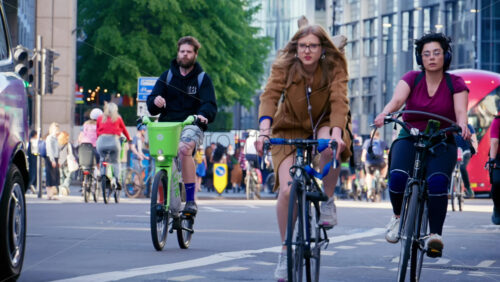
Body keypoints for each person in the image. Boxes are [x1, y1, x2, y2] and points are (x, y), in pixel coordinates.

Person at [254, 24, 351, 280]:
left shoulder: (334, 67)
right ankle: (286, 250)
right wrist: (264, 130)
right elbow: (269, 96)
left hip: (326, 123)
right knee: (287, 190)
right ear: (296, 48)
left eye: (313, 46)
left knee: (329, 148)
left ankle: (328, 200)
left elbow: (339, 101)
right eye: (303, 45)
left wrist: (338, 135)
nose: (307, 50)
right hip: (289, 129)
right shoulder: (284, 65)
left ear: (323, 49)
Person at [373, 32, 470, 257]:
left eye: (437, 53)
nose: (431, 58)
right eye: (426, 54)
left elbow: (460, 112)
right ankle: (397, 218)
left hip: (441, 140)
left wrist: (463, 125)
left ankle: (435, 235)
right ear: (420, 57)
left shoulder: (455, 82)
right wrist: (384, 113)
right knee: (397, 176)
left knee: (437, 183)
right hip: (411, 136)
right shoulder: (411, 78)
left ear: (446, 56)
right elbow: (397, 101)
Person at [146, 36, 217, 215]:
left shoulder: (202, 79)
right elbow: (151, 104)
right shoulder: (167, 76)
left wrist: (203, 115)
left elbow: (210, 104)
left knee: (184, 149)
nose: (185, 55)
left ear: (195, 54)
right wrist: (156, 101)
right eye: (182, 51)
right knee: (161, 157)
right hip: (167, 126)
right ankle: (164, 197)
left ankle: (191, 200)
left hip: (191, 124)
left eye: (189, 52)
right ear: (178, 53)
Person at [96, 102, 132, 189]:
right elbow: (124, 130)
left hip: (101, 141)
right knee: (116, 162)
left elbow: (97, 131)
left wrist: (99, 138)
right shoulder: (118, 118)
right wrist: (128, 139)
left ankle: (102, 174)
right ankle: (116, 180)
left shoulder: (100, 118)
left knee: (102, 159)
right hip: (114, 141)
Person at [361, 130, 389, 199]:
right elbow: (389, 152)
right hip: (380, 162)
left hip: (369, 163)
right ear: (378, 135)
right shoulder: (382, 142)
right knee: (386, 165)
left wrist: (364, 161)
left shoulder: (367, 142)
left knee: (369, 174)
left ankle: (370, 189)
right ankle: (382, 177)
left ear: (371, 135)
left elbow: (364, 154)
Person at [454, 124, 477, 198]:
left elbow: (474, 140)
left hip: (466, 151)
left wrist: (475, 149)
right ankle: (448, 189)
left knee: (462, 168)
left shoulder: (469, 127)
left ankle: (468, 189)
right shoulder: (452, 126)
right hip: (454, 151)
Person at [487, 116, 500, 225]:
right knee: (496, 182)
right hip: (498, 156)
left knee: (496, 183)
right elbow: (494, 141)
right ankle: (497, 207)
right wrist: (492, 159)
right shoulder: (498, 120)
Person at [45, 122, 61, 200]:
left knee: (54, 177)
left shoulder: (56, 138)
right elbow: (50, 150)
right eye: (55, 129)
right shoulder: (50, 138)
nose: (57, 131)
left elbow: (58, 150)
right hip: (50, 158)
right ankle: (49, 195)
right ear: (51, 129)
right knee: (50, 176)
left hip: (55, 158)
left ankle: (51, 194)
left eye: (57, 129)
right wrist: (52, 160)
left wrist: (58, 160)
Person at [58, 131, 74, 196]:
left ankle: (61, 192)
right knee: (69, 177)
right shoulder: (68, 144)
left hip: (59, 162)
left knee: (61, 177)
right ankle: (65, 187)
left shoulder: (57, 144)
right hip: (67, 162)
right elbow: (70, 153)